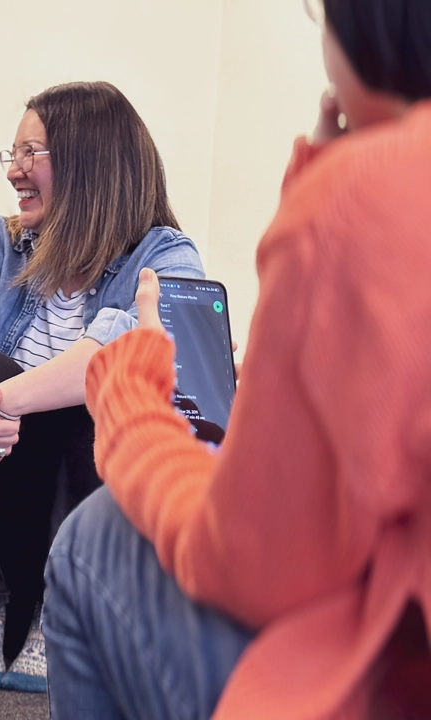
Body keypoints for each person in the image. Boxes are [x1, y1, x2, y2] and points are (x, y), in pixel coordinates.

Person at [43, 0, 431, 717]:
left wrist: (129, 393)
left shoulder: (349, 207)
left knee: (91, 539)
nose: (18, 172)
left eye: (33, 155)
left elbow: (252, 564)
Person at [0, 81, 206, 692]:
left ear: (89, 161)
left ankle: (60, 607)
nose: (15, 173)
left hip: (89, 524)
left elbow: (111, 355)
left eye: (32, 154)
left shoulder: (166, 255)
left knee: (101, 398)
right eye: (13, 156)